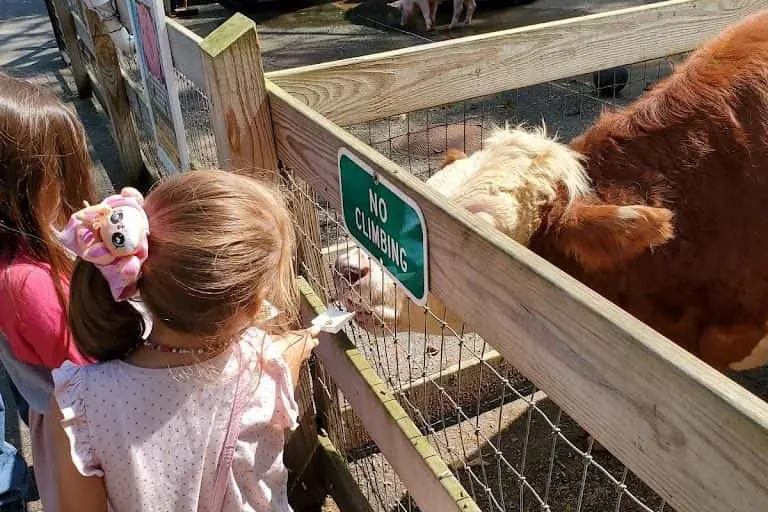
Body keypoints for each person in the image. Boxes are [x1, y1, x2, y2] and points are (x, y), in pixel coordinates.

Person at [50, 170, 319, 512]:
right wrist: (298, 345)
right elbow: (283, 359)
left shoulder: (79, 404)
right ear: (253, 306)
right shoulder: (265, 370)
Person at [0, 73, 96, 510]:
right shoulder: (27, 283)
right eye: (59, 168)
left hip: (64, 425)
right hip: (84, 438)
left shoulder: (21, 256)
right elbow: (91, 368)